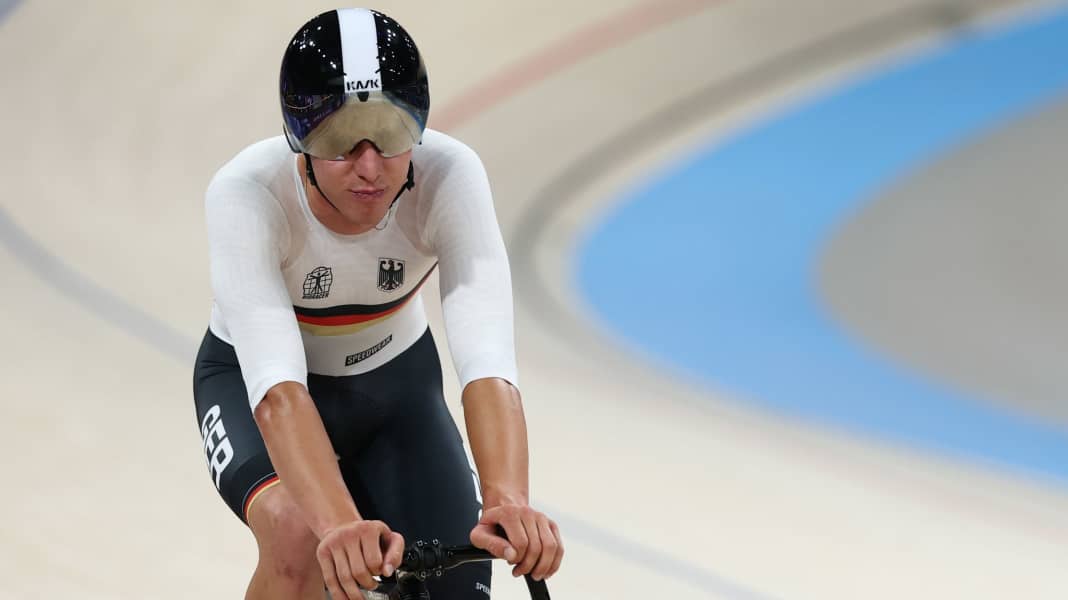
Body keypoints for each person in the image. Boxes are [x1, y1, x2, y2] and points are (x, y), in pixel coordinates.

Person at [193, 8, 563, 599]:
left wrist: (508, 500)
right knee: (299, 539)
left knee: (455, 580)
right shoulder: (246, 194)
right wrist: (337, 523)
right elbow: (278, 392)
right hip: (250, 387)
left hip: (396, 393)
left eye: (390, 136)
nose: (369, 168)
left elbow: (488, 360)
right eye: (340, 140)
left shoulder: (450, 175)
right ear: (300, 139)